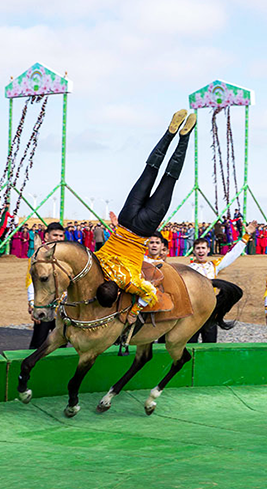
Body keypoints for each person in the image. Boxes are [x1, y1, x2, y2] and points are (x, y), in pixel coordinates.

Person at [94, 109, 196, 333]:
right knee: (149, 171)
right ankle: (169, 134)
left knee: (169, 180)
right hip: (125, 219)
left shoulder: (129, 281)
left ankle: (184, 137)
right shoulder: (99, 262)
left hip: (144, 228)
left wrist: (132, 312)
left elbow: (149, 293)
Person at [188, 220, 257, 343]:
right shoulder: (189, 270)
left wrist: (246, 236)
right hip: (193, 313)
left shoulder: (214, 265)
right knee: (190, 344)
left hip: (211, 311)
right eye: (198, 248)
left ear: (208, 250)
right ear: (194, 251)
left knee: (209, 345)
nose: (200, 251)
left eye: (203, 248)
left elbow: (232, 255)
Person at [27, 222, 66, 349]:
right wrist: (33, 304)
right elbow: (31, 281)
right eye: (55, 235)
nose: (58, 238)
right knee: (38, 343)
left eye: (61, 236)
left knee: (61, 345)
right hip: (44, 306)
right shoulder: (37, 256)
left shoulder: (66, 256)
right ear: (46, 236)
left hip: (62, 309)